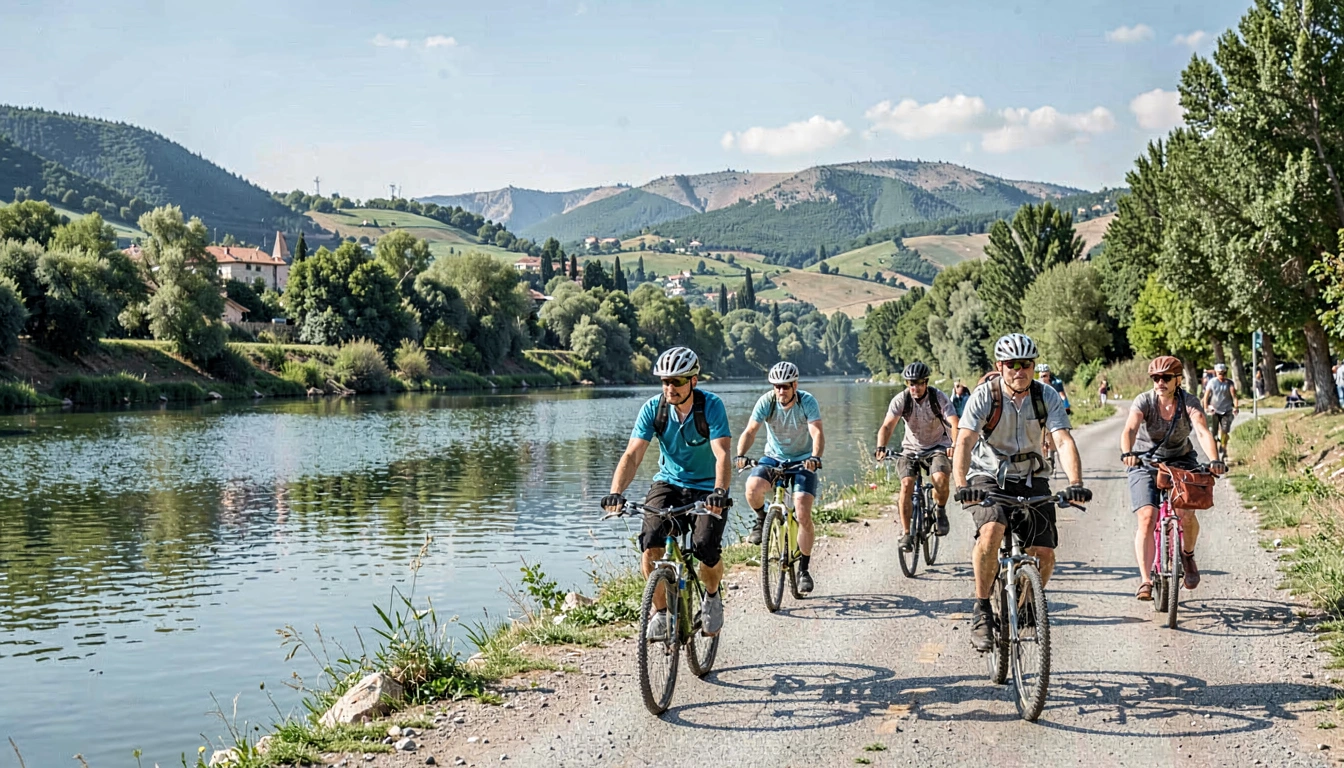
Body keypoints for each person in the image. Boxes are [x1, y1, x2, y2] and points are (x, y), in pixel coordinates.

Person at [952, 334, 1091, 653]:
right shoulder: (985, 396)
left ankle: (1027, 599)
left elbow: (1064, 440)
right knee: (991, 530)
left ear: (1033, 366)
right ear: (1000, 366)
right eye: (1012, 365)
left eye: (1026, 364)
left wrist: (1075, 482)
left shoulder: (1047, 396)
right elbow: (964, 442)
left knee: (1044, 553)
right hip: (989, 475)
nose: (1020, 370)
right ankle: (982, 609)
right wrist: (963, 487)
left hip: (1032, 475)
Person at [601, 347, 733, 637]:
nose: (670, 387)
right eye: (665, 381)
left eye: (677, 381)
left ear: (693, 381)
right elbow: (633, 455)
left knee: (704, 546)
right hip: (668, 483)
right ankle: (661, 613)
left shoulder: (711, 407)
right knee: (650, 542)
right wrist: (616, 492)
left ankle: (712, 597)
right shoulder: (654, 408)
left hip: (707, 487)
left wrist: (720, 492)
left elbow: (722, 453)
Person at [1120, 356, 1226, 600]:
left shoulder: (1188, 401)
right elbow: (1130, 429)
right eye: (1156, 378)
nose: (1160, 382)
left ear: (1178, 380)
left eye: (1166, 378)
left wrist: (1214, 459)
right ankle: (1146, 580)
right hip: (1144, 461)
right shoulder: (1144, 400)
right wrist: (1127, 453)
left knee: (1187, 514)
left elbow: (1201, 429)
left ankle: (1187, 555)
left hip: (1181, 460)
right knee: (1147, 517)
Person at [736, 361, 825, 592]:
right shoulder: (767, 401)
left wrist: (815, 457)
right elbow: (751, 430)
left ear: (794, 385)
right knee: (752, 488)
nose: (781, 391)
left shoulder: (807, 402)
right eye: (777, 386)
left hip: (803, 460)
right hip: (773, 458)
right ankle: (760, 519)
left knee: (803, 512)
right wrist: (741, 455)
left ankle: (804, 570)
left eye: (785, 386)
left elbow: (816, 432)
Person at [875, 362, 958, 551]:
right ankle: (906, 534)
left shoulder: (938, 398)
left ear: (926, 382)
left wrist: (954, 444)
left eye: (920, 383)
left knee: (940, 479)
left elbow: (954, 422)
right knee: (906, 485)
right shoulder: (901, 400)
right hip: (911, 449)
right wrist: (881, 446)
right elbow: (888, 426)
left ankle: (940, 510)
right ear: (907, 383)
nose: (915, 387)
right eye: (912, 383)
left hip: (938, 446)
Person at [1200, 363, 1239, 456]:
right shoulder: (1212, 382)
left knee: (1225, 430)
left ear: (1225, 373)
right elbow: (1206, 397)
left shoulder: (1229, 383)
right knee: (1213, 432)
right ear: (1216, 373)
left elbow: (1234, 397)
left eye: (1223, 373)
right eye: (1219, 373)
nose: (1221, 375)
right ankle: (1214, 451)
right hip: (1214, 410)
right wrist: (1206, 408)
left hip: (1227, 410)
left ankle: (1223, 447)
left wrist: (1236, 407)